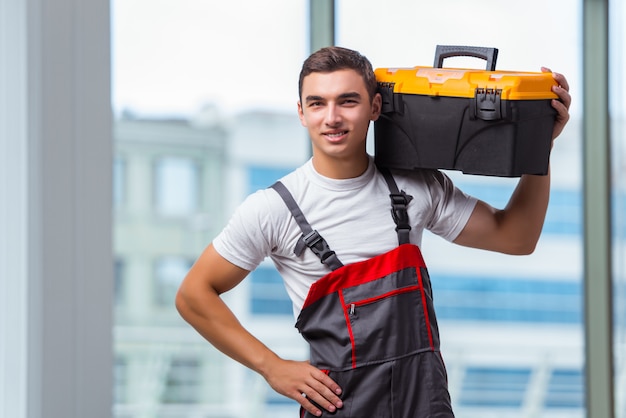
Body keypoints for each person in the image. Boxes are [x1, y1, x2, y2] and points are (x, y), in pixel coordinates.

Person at [176, 46, 571, 417]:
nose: (332, 117)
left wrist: (541, 145)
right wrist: (271, 367)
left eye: (347, 101)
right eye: (317, 103)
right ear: (302, 113)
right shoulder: (274, 208)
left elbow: (516, 237)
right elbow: (193, 295)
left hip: (424, 404)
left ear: (374, 107)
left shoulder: (416, 186)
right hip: (341, 406)